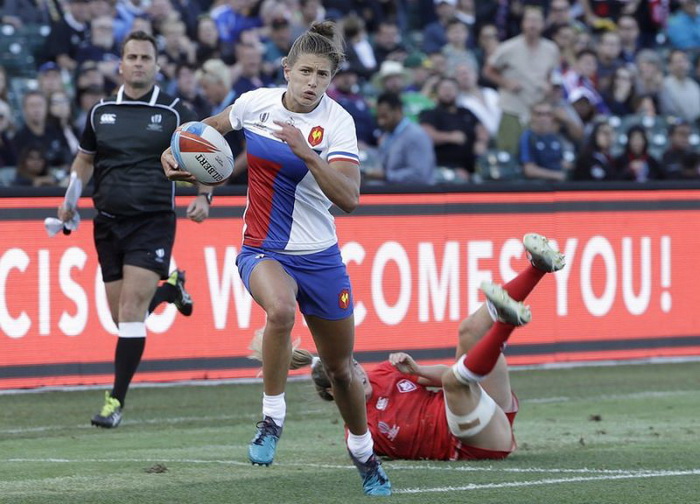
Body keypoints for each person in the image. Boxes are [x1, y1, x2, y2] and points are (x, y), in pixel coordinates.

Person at [160, 21, 392, 496]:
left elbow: (349, 198)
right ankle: (271, 419)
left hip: (321, 257)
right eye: (305, 71)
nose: (312, 82)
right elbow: (206, 132)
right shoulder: (256, 104)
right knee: (281, 311)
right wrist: (174, 151)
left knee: (341, 369)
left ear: (331, 79)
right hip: (262, 248)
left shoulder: (338, 123)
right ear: (286, 69)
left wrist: (308, 153)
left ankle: (363, 452)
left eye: (322, 75)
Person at [251, 233, 566, 461]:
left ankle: (538, 267)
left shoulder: (384, 372)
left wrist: (417, 370)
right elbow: (368, 453)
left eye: (354, 366)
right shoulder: (361, 432)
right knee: (456, 381)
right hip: (474, 442)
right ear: (334, 392)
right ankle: (506, 323)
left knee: (468, 332)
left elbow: (445, 375)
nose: (357, 374)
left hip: (484, 408)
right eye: (347, 375)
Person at [56, 31, 211, 429]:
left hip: (152, 221)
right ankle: (170, 290)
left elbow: (206, 155)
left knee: (129, 313)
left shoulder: (174, 111)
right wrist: (71, 196)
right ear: (121, 65)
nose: (139, 63)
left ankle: (115, 402)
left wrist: (204, 196)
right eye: (132, 57)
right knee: (121, 318)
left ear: (157, 65)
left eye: (146, 57)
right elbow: (84, 161)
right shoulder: (100, 111)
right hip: (107, 222)